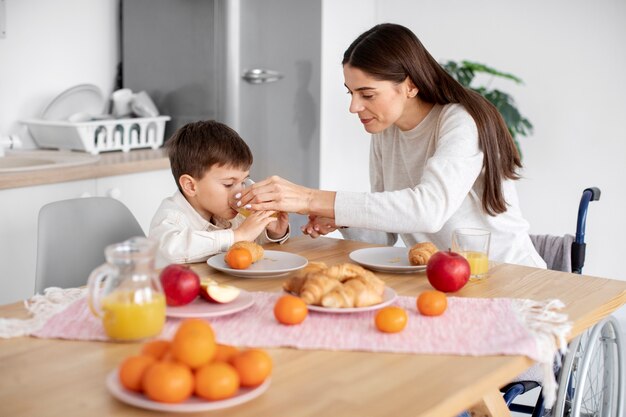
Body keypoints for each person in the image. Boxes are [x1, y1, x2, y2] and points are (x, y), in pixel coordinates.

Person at [236, 23, 545, 268]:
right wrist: (342, 217)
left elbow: (428, 210)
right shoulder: (387, 131)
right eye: (351, 93)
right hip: (445, 279)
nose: (354, 107)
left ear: (410, 85)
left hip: (509, 277)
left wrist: (311, 199)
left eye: (367, 94)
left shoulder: (460, 121)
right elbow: (382, 238)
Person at [149, 120, 290, 265]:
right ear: (191, 186)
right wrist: (237, 236)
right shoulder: (171, 218)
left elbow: (249, 244)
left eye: (243, 182)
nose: (240, 192)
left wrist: (273, 232)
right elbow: (171, 251)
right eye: (228, 184)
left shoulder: (229, 214)